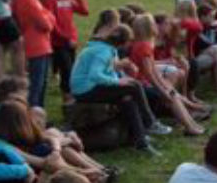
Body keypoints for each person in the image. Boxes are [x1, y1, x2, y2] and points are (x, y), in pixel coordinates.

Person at [71, 23, 171, 154]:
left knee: (127, 99)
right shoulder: (103, 51)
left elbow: (107, 70)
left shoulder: (107, 48)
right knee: (134, 86)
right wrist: (117, 81)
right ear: (124, 42)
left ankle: (141, 142)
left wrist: (120, 79)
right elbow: (95, 75)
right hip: (85, 90)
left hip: (89, 86)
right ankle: (150, 122)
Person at [128, 14, 205, 135]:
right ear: (148, 27)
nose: (156, 26)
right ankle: (189, 125)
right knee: (171, 96)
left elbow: (154, 72)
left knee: (172, 93)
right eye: (153, 24)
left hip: (145, 83)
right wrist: (163, 91)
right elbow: (150, 75)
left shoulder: (144, 44)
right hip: (142, 85)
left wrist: (166, 87)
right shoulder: (144, 47)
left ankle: (191, 123)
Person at [9, 0, 55, 110]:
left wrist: (46, 14)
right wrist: (49, 15)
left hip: (41, 45)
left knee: (41, 84)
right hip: (37, 46)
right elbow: (46, 24)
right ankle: (33, 118)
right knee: (36, 86)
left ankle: (38, 115)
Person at [43, 0, 89, 104]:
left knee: (72, 68)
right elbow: (52, 23)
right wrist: (65, 38)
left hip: (71, 41)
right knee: (67, 69)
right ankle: (67, 98)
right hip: (59, 42)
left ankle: (71, 94)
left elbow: (85, 11)